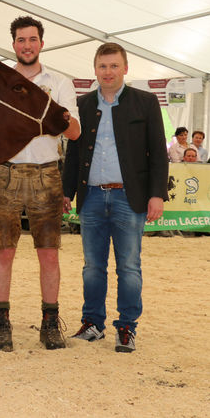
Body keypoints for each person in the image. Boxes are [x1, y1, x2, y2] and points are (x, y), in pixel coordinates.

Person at [63, 42, 168, 353]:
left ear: (125, 68)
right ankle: (93, 323)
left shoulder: (146, 103)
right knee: (92, 266)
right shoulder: (81, 105)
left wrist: (157, 195)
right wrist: (66, 192)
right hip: (92, 197)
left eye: (113, 66)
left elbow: (158, 154)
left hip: (129, 198)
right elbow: (73, 154)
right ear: (95, 70)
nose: (107, 72)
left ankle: (126, 328)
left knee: (129, 267)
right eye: (102, 66)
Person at [0, 16, 81, 352]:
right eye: (20, 40)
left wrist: (60, 117)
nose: (26, 45)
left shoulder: (59, 83)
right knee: (3, 251)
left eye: (32, 39)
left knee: (49, 255)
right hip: (5, 172)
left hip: (47, 173)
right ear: (13, 44)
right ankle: (1, 323)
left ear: (42, 42)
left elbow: (75, 132)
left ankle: (50, 324)